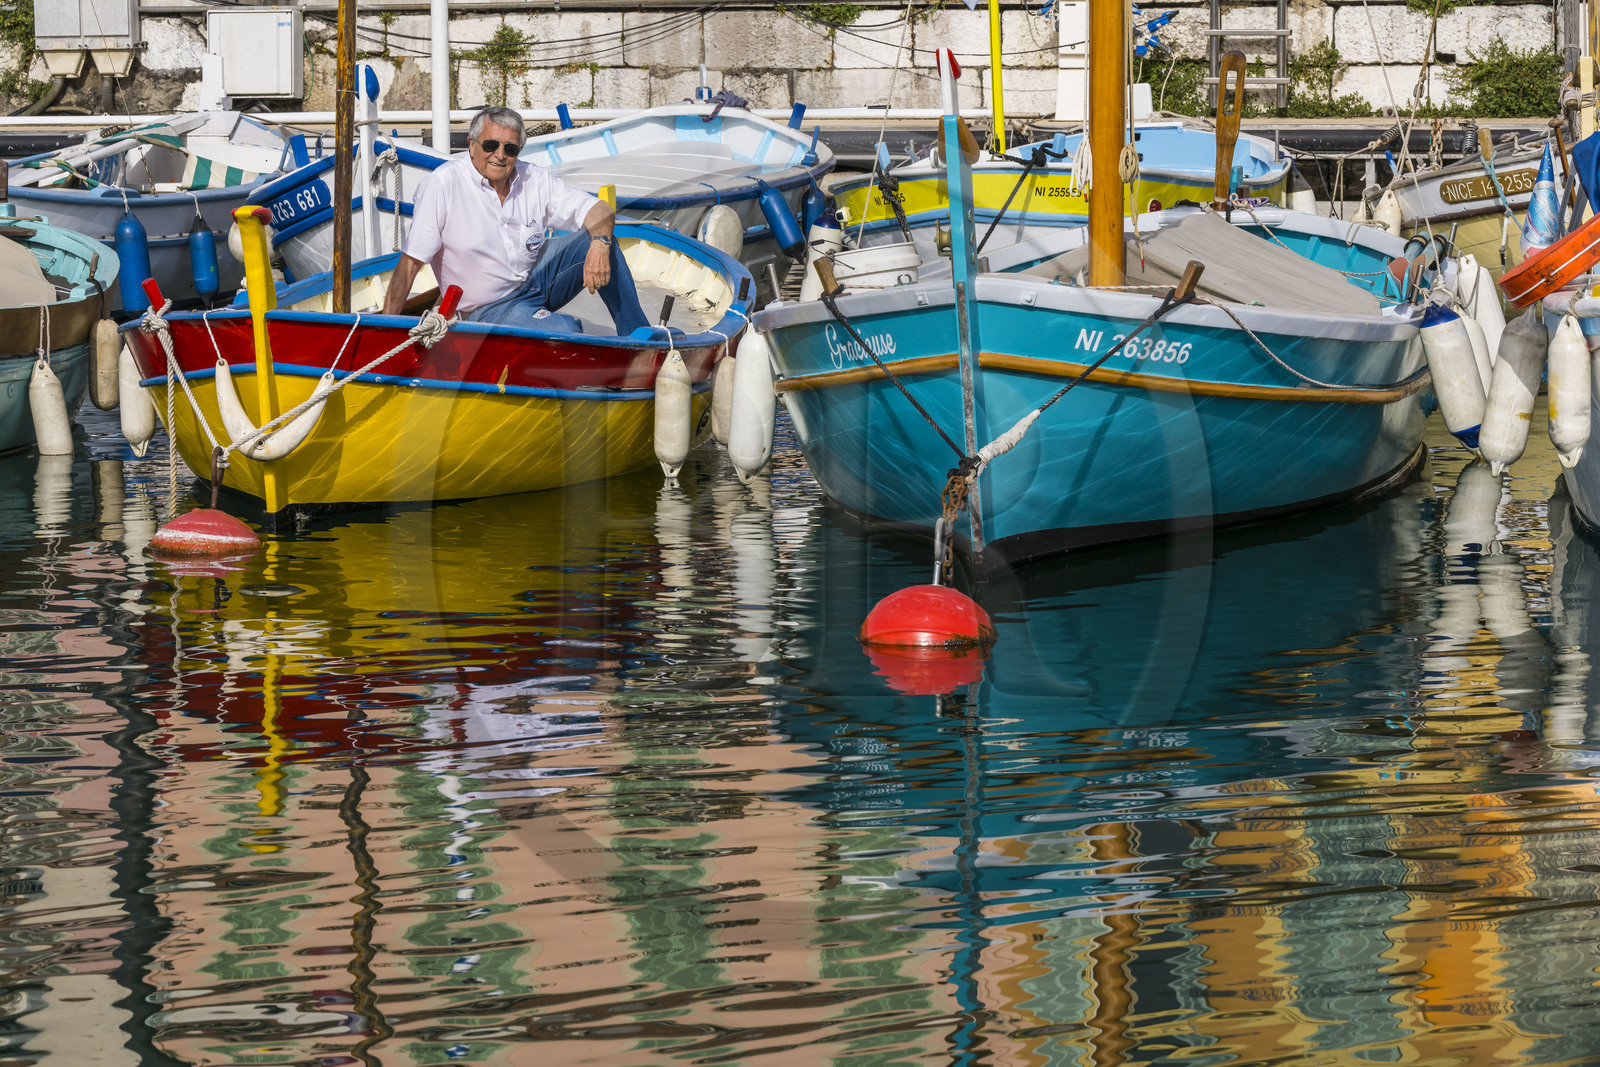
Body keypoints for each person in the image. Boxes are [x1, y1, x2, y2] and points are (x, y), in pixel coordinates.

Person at [381, 106, 649, 335]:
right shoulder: (443, 184)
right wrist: (384, 329)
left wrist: (600, 245)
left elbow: (598, 208)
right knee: (565, 332)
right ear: (471, 145)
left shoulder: (532, 177)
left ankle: (640, 342)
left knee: (603, 239)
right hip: (488, 306)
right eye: (490, 145)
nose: (500, 154)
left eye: (510, 148)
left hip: (535, 280)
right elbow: (411, 262)